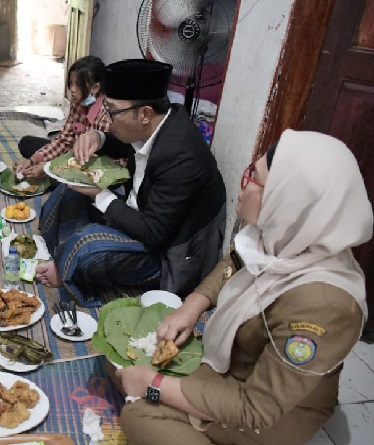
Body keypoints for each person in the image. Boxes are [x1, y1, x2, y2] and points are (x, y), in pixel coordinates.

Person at [117, 130, 372, 445]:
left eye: (256, 179)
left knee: (140, 412)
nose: (244, 182)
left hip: (273, 407)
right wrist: (192, 305)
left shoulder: (323, 305)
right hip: (235, 365)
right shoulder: (285, 239)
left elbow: (256, 408)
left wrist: (153, 385)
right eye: (252, 169)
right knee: (126, 359)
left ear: (287, 201)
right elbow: (235, 262)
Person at [36, 59, 226, 307]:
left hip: (169, 251)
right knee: (68, 191)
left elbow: (153, 233)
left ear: (145, 113)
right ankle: (63, 257)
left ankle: (66, 263)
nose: (108, 119)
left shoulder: (183, 157)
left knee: (86, 249)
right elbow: (127, 141)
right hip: (140, 212)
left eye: (112, 111)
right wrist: (99, 137)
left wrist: (99, 195)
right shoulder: (159, 122)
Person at [15, 56, 113, 179]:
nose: (72, 89)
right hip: (72, 154)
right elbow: (63, 141)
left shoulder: (106, 115)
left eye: (78, 84)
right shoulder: (78, 104)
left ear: (96, 88)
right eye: (71, 83)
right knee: (27, 143)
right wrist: (32, 160)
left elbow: (96, 162)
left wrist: (49, 167)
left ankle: (54, 178)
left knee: (66, 184)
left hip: (93, 167)